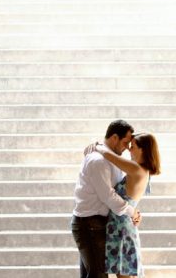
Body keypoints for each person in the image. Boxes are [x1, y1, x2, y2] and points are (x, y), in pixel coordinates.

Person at [71, 119, 141, 278]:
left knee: (93, 274)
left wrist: (133, 210)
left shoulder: (110, 159)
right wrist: (131, 211)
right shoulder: (99, 161)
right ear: (114, 137)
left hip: (96, 223)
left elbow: (119, 192)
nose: (126, 148)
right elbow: (108, 196)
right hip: (89, 224)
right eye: (125, 142)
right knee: (97, 274)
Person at [88, 133, 161, 278]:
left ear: (143, 150)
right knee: (125, 274)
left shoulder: (136, 169)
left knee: (124, 274)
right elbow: (130, 197)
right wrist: (134, 211)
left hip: (121, 229)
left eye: (132, 147)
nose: (129, 149)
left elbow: (110, 156)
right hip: (122, 225)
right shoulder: (142, 170)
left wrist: (97, 146)